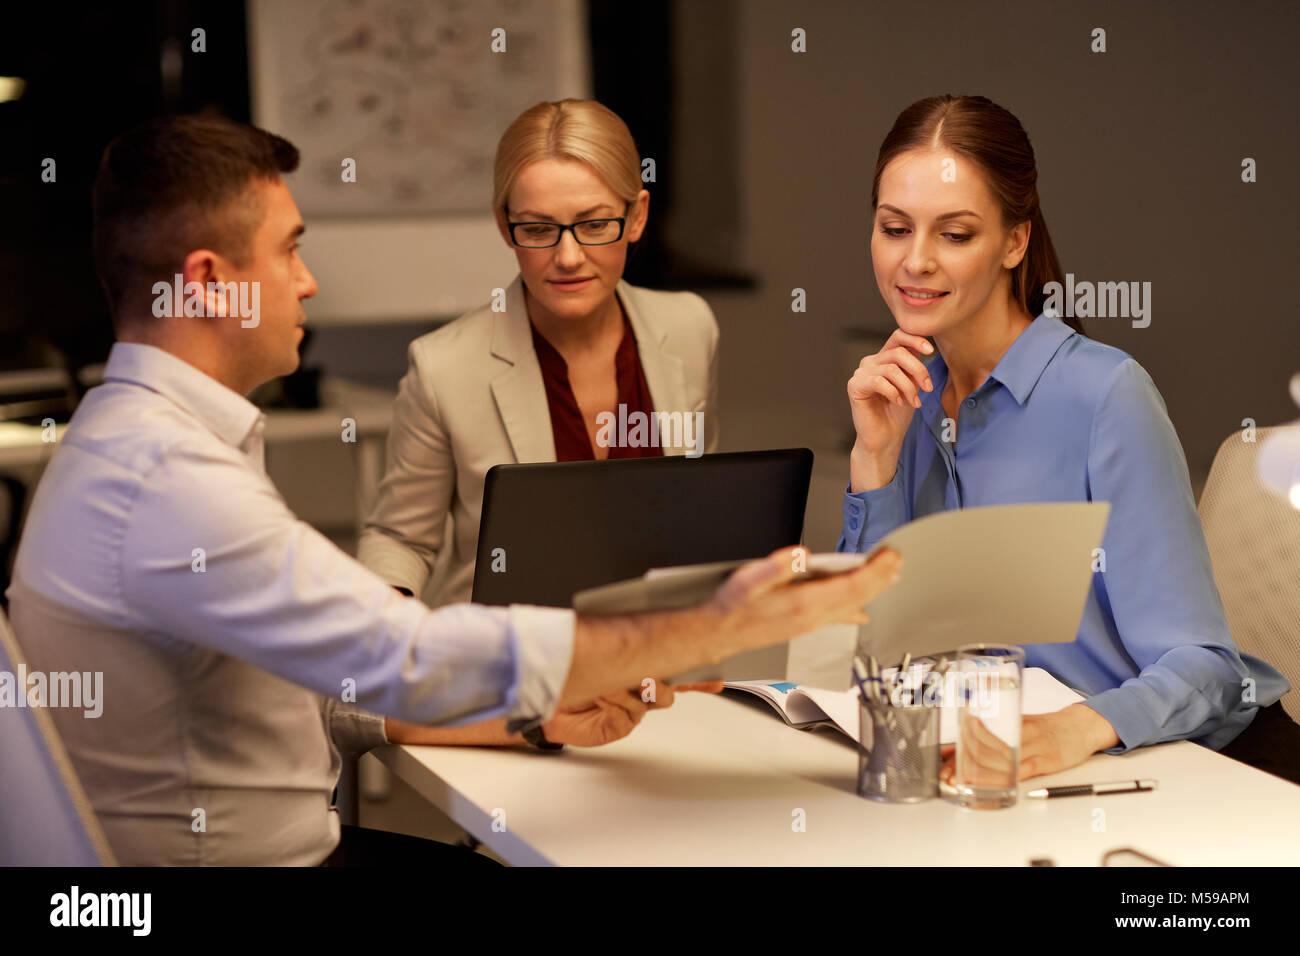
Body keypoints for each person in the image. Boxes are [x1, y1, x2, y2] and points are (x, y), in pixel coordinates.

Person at [4, 115, 902, 866]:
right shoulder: (170, 481)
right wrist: (720, 624)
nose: (310, 282)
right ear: (208, 284)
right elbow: (400, 651)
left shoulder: (134, 442)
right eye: (291, 252)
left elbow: (334, 676)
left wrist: (532, 718)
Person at [838, 94, 1297, 786]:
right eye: (895, 228)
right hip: (993, 771)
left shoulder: (1107, 397)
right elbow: (872, 652)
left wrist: (1070, 731)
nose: (916, 261)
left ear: (1014, 242)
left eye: (955, 235)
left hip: (1176, 772)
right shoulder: (907, 391)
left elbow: (1208, 666)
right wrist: (874, 459)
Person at [358, 99, 718, 615]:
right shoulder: (443, 367)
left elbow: (699, 503)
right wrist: (391, 622)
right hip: (508, 665)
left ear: (636, 215)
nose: (568, 257)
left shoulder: (690, 327)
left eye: (594, 224)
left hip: (657, 656)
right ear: (505, 227)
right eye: (538, 229)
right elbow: (399, 537)